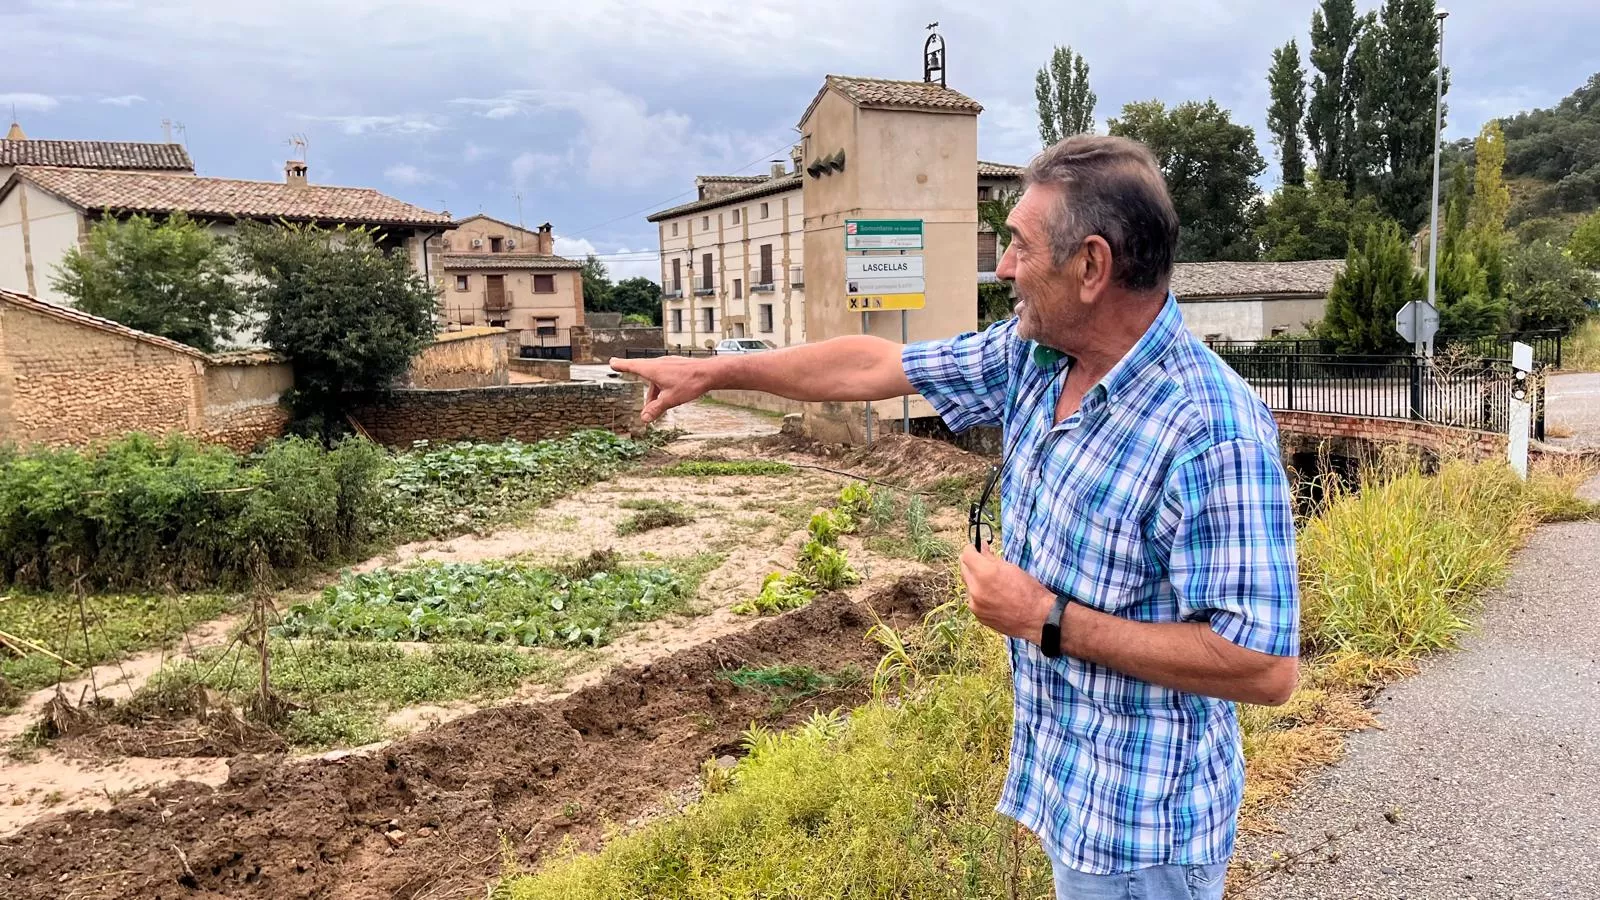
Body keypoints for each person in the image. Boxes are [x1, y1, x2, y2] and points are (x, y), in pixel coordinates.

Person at [610, 134, 1300, 900]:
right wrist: (715, 369)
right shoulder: (1036, 359)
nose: (1001, 268)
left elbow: (1263, 667)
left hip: (1146, 835)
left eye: (1017, 245)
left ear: (1091, 266)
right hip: (1074, 796)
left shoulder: (1211, 431)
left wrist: (1047, 619)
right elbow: (873, 365)